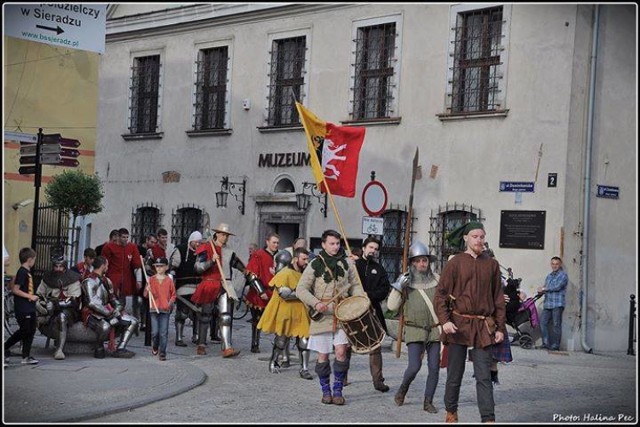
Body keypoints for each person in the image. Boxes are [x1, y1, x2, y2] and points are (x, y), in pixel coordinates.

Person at [434, 222, 506, 423]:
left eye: (482, 236)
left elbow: (498, 298)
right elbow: (440, 296)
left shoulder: (491, 264)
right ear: (466, 238)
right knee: (454, 374)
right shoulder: (455, 263)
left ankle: (488, 418)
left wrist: (500, 327)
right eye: (475, 236)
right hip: (458, 325)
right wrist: (444, 322)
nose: (479, 240)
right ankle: (451, 411)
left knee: (484, 376)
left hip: (483, 326)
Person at [296, 229, 366, 406]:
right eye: (332, 243)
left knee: (341, 352)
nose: (336, 247)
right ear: (323, 244)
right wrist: (315, 303)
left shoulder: (347, 264)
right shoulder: (314, 264)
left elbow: (356, 286)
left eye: (337, 243)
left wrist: (358, 301)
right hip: (322, 315)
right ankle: (325, 390)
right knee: (323, 356)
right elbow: (301, 289)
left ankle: (338, 390)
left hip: (343, 314)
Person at [387, 241, 442, 413]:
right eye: (417, 261)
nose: (421, 264)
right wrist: (398, 287)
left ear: (428, 262)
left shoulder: (437, 280)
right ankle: (403, 389)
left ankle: (428, 401)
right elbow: (391, 306)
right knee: (414, 366)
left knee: (434, 367)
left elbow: (445, 302)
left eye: (424, 260)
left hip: (434, 328)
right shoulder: (405, 281)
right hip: (414, 328)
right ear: (411, 263)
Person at [193, 223, 249, 358]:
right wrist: (211, 261)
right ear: (217, 234)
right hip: (210, 283)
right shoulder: (206, 248)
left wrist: (246, 271)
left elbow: (237, 263)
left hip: (225, 284)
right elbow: (198, 267)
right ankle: (201, 344)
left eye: (227, 235)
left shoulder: (229, 251)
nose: (225, 238)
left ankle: (227, 347)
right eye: (223, 235)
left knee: (225, 316)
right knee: (205, 315)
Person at [258, 248, 313, 379]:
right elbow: (284, 294)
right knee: (281, 340)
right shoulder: (285, 273)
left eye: (307, 259)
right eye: (303, 259)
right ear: (295, 259)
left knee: (305, 340)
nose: (306, 262)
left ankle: (304, 369)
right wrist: (303, 294)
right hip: (286, 310)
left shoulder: (306, 275)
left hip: (301, 311)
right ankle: (274, 361)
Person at [81, 256, 139, 359]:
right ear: (103, 266)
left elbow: (112, 298)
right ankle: (98, 347)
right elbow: (92, 302)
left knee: (133, 321)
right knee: (105, 327)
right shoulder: (88, 281)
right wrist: (109, 313)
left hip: (109, 310)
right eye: (107, 265)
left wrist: (117, 308)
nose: (108, 267)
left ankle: (121, 348)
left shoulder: (106, 281)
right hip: (93, 313)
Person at [354, 236, 391, 393]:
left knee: (375, 346)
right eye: (370, 247)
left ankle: (378, 380)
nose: (373, 251)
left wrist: (369, 295)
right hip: (354, 311)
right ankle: (343, 378)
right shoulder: (354, 266)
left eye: (376, 249)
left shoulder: (379, 269)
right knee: (349, 344)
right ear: (364, 248)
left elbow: (384, 289)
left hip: (372, 310)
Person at [35, 255, 82, 360]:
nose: (58, 269)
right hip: (49, 308)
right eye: (56, 266)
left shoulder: (73, 278)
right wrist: (42, 305)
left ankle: (59, 349)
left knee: (62, 317)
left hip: (68, 309)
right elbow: (39, 294)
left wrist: (56, 305)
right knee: (29, 315)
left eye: (60, 266)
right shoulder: (47, 278)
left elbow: (74, 301)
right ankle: (24, 347)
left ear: (65, 266)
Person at [244, 232, 279, 353]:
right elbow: (251, 275)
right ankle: (255, 344)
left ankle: (279, 345)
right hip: (259, 293)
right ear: (267, 242)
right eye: (274, 242)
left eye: (277, 243)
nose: (276, 245)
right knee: (257, 320)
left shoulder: (279, 257)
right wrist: (261, 291)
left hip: (274, 293)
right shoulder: (258, 255)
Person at [4, 247, 40, 365]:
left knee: (31, 330)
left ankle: (26, 356)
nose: (34, 261)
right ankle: (5, 346)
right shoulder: (22, 272)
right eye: (34, 259)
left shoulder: (27, 272)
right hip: (23, 307)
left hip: (30, 307)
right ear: (29, 260)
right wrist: (30, 296)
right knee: (24, 330)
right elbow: (15, 289)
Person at [101, 228, 143, 323]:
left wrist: (139, 280)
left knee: (122, 303)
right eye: (123, 237)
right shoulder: (108, 247)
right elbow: (103, 264)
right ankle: (111, 322)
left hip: (125, 280)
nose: (125, 239)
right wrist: (103, 279)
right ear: (118, 237)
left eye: (127, 237)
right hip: (112, 279)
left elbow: (136, 265)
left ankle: (122, 323)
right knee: (112, 302)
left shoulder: (132, 247)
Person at [169, 230, 202, 347]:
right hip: (183, 286)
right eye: (196, 242)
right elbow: (173, 268)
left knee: (198, 313)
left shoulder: (202, 252)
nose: (198, 244)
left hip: (198, 287)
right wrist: (171, 283)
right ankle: (179, 337)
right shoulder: (181, 250)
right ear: (191, 241)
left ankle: (197, 336)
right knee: (182, 313)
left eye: (199, 242)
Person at [144, 257, 176, 361]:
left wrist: (169, 303)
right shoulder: (151, 280)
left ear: (166, 267)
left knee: (163, 332)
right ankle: (155, 346)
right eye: (157, 266)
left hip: (165, 310)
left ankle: (162, 353)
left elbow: (173, 295)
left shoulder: (169, 280)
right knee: (155, 332)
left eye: (161, 266)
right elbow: (145, 295)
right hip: (154, 308)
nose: (158, 268)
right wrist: (147, 289)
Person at [537, 256, 568, 351]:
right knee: (542, 322)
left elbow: (557, 287)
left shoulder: (563, 275)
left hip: (557, 304)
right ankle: (545, 343)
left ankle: (555, 345)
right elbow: (546, 286)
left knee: (556, 325)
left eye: (556, 264)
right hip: (548, 304)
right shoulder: (549, 276)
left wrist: (545, 289)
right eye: (553, 264)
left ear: (560, 265)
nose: (554, 266)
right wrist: (540, 290)